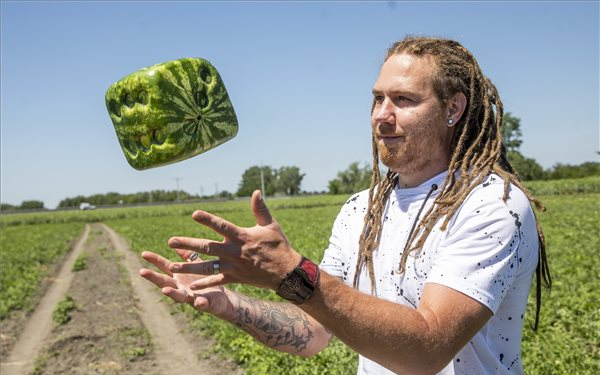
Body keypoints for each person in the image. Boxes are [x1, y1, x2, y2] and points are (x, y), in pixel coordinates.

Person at [140, 36, 551, 375]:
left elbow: (427, 350)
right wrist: (227, 305)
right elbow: (314, 331)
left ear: (454, 108)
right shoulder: (362, 209)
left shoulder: (491, 206)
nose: (382, 116)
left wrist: (292, 273)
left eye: (403, 100)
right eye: (377, 99)